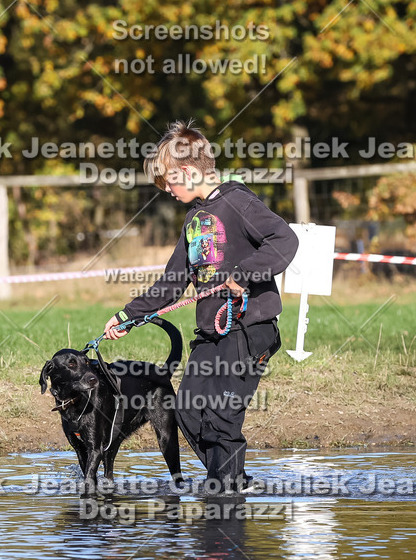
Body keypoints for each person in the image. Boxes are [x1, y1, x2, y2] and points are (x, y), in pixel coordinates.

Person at [103, 120, 299, 493]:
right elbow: (172, 283)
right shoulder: (194, 220)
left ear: (189, 171)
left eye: (169, 182)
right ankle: (231, 483)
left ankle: (225, 494)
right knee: (188, 411)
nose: (168, 191)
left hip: (248, 329)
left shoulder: (238, 202)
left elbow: (284, 240)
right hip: (210, 336)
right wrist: (128, 316)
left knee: (222, 415)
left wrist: (245, 274)